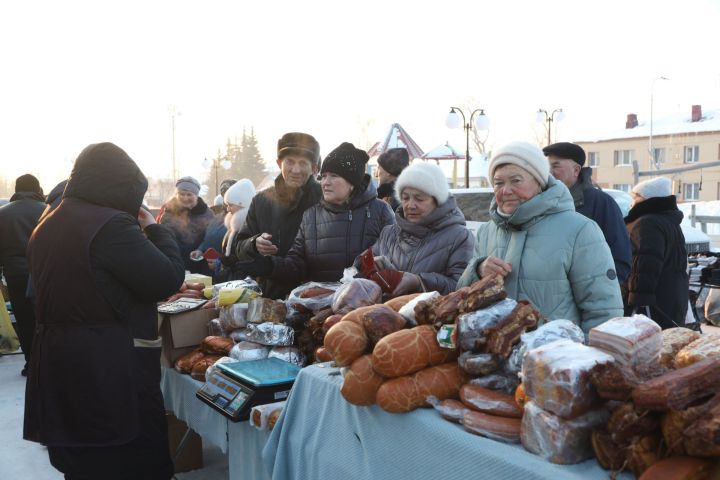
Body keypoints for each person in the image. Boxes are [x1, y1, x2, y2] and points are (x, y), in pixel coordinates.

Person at [25, 142, 185, 479]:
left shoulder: (48, 222)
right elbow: (165, 278)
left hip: (60, 367)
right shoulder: (109, 224)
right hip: (109, 372)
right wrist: (154, 227)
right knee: (132, 461)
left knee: (83, 463)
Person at [457, 141, 623, 333]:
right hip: (494, 356)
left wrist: (586, 358)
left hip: (556, 358)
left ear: (539, 181)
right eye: (498, 183)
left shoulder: (580, 230)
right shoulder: (487, 231)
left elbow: (603, 310)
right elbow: (462, 299)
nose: (506, 190)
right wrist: (477, 270)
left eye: (516, 180)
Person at [243, 142, 395, 288]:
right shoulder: (311, 216)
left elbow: (394, 259)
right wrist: (270, 265)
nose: (325, 182)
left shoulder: (380, 211)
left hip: (366, 306)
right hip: (321, 309)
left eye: (334, 176)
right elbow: (296, 265)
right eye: (323, 176)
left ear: (352, 183)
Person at [361, 162, 474, 295]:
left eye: (419, 199)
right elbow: (360, 270)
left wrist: (420, 282)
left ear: (437, 200)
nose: (410, 205)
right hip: (386, 314)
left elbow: (462, 286)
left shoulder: (459, 237)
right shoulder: (388, 233)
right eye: (405, 198)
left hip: (430, 315)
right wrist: (367, 265)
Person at [234, 132, 323, 299]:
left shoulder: (324, 200)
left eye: (303, 163)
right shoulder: (261, 201)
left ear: (314, 168)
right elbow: (239, 247)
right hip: (268, 298)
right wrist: (254, 244)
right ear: (279, 163)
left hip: (312, 299)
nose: (295, 170)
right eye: (290, 162)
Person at [543, 142, 632, 282]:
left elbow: (620, 258)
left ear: (576, 170)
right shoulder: (540, 203)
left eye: (555, 166)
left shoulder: (601, 203)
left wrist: (596, 292)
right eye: (546, 167)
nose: (549, 172)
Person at [622, 177, 689, 329]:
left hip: (652, 303)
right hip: (671, 295)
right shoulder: (667, 221)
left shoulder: (646, 223)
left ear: (646, 199)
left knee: (647, 345)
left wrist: (637, 299)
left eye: (635, 197)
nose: (632, 202)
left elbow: (645, 262)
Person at [0, 174, 45, 375]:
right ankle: (47, 362)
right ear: (37, 189)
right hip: (43, 272)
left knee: (24, 319)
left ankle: (30, 363)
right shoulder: (48, 212)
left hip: (15, 273)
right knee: (44, 318)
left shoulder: (3, 214)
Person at [158, 175, 214, 274]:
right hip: (175, 260)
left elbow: (211, 236)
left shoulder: (207, 213)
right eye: (182, 194)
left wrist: (201, 249)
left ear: (196, 195)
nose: (185, 198)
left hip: (199, 262)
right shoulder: (169, 213)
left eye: (189, 194)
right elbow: (163, 235)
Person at [211, 179, 256, 281]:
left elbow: (243, 261)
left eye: (230, 205)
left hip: (240, 282)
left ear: (242, 203)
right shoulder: (234, 225)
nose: (227, 209)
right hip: (232, 279)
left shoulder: (249, 226)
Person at [190, 178, 237, 262]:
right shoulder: (216, 217)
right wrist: (200, 250)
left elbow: (239, 251)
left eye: (230, 194)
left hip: (226, 270)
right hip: (207, 268)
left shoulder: (241, 221)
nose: (227, 198)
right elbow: (207, 238)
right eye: (224, 194)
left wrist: (220, 263)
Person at [375, 147, 410, 212]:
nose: (376, 175)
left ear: (388, 172)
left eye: (379, 168)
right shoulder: (406, 193)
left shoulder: (393, 201)